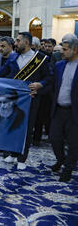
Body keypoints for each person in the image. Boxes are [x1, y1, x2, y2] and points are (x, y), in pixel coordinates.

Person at [0, 32, 52, 170]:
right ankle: (12, 153)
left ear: (27, 43)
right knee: (12, 126)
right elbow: (0, 73)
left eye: (18, 41)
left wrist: (40, 85)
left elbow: (49, 78)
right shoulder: (13, 57)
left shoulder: (41, 59)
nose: (15, 43)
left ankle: (22, 158)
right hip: (13, 99)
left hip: (31, 99)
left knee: (26, 129)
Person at [48, 35, 78, 182]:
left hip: (74, 112)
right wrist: (39, 87)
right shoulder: (59, 65)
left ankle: (68, 169)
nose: (62, 52)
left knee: (73, 143)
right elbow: (51, 83)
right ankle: (61, 160)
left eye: (65, 50)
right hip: (59, 110)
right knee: (54, 138)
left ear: (75, 50)